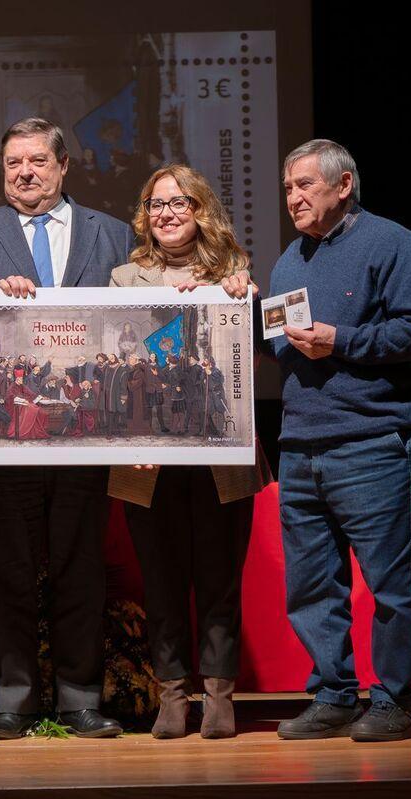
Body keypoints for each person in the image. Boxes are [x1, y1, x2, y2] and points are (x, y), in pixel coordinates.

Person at [0, 117, 134, 739]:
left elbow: (137, 326)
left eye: (37, 162)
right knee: (9, 570)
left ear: (62, 166)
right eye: (13, 164)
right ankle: (14, 703)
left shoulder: (112, 234)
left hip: (88, 433)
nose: (24, 173)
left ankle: (81, 701)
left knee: (81, 567)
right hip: (3, 438)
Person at [268, 140, 411, 742]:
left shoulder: (392, 242)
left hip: (370, 441)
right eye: (288, 188)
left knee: (390, 585)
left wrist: (340, 340)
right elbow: (276, 343)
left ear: (343, 187)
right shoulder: (289, 260)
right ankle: (334, 694)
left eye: (305, 186)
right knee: (312, 584)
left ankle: (396, 699)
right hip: (300, 444)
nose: (293, 197)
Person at [108, 163, 268, 739]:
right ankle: (172, 695)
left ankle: (220, 696)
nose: (167, 213)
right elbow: (119, 357)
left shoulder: (235, 274)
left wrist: (244, 300)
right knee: (162, 578)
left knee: (219, 576)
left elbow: (256, 356)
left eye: (179, 203)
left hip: (220, 453)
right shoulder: (123, 279)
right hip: (146, 455)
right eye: (156, 204)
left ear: (201, 210)